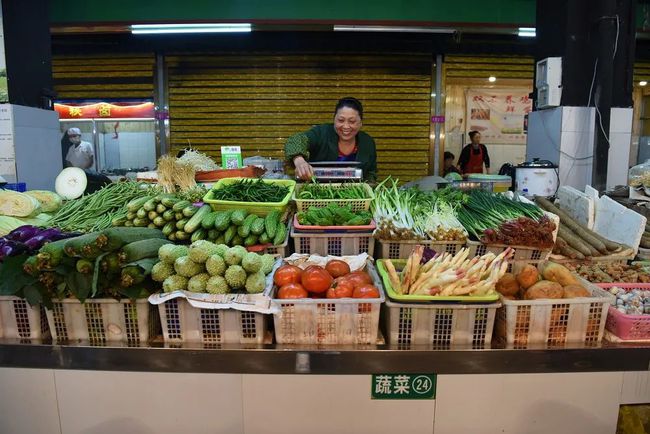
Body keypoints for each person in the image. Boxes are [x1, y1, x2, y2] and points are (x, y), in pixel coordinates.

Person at [284, 97, 377, 182]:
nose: (346, 126)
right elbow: (295, 139)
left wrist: (368, 187)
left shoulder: (368, 142)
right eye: (341, 120)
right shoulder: (322, 133)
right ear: (334, 120)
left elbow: (371, 173)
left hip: (354, 197)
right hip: (316, 193)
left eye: (352, 121)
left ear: (361, 123)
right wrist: (299, 161)